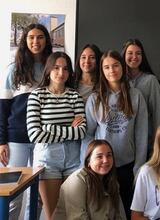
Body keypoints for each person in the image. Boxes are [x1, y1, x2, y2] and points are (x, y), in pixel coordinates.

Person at [82, 50, 148, 219]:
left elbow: (141, 133)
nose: (112, 70)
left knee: (126, 210)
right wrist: (87, 164)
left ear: (122, 67)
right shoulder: (95, 98)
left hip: (127, 165)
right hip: (101, 166)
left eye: (116, 65)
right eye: (106, 67)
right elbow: (88, 135)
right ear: (102, 71)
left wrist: (139, 166)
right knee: (103, 212)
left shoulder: (136, 96)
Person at [0, 23, 52, 220]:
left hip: (44, 139)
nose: (35, 41)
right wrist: (1, 141)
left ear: (46, 40)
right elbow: (2, 109)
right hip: (17, 139)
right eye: (31, 37)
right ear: (25, 41)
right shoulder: (13, 70)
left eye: (40, 37)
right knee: (12, 193)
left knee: (38, 195)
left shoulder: (52, 68)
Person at [27, 51, 86, 219]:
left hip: (73, 158)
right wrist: (69, 130)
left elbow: (81, 131)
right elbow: (34, 135)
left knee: (73, 214)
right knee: (53, 215)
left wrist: (49, 128)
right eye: (56, 68)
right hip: (47, 159)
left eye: (66, 69)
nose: (61, 73)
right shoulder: (36, 96)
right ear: (48, 70)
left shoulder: (75, 96)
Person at [53, 139, 126, 220]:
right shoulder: (77, 180)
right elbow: (78, 218)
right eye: (99, 156)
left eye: (109, 155)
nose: (105, 160)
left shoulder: (113, 182)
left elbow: (119, 216)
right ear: (89, 162)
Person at [122, 39, 160, 156]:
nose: (134, 57)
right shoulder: (118, 81)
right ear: (124, 55)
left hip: (146, 141)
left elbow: (158, 114)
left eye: (138, 53)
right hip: (123, 142)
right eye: (130, 53)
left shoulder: (150, 81)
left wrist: (157, 144)